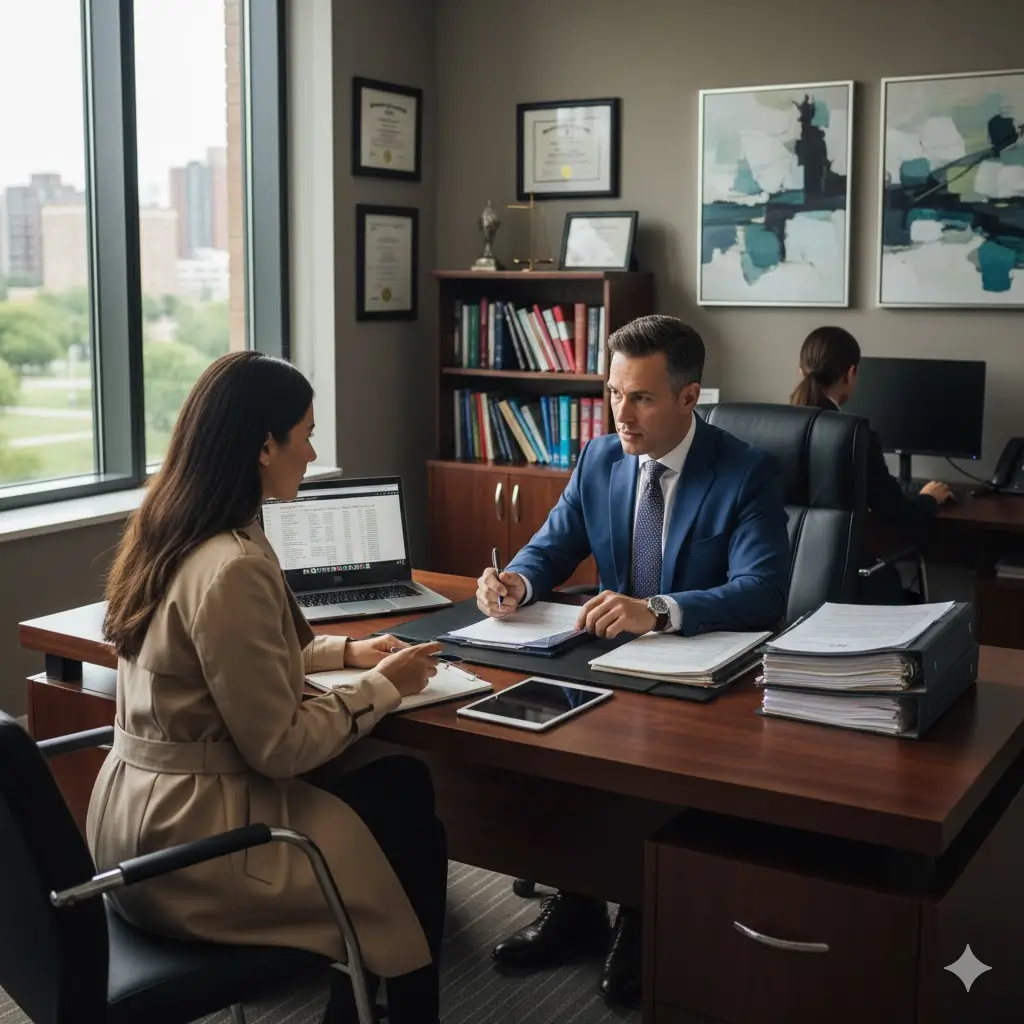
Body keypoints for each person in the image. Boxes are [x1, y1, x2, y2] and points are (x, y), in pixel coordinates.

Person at [89, 351, 447, 1024]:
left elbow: (220, 663)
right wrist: (381, 686)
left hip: (131, 819)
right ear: (263, 445)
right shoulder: (231, 565)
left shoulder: (171, 526)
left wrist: (344, 651)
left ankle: (379, 997)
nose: (312, 453)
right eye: (305, 434)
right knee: (405, 811)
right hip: (188, 853)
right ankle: (394, 1002)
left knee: (398, 785)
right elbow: (278, 749)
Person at [475, 315, 790, 1006]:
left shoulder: (746, 472)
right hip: (609, 660)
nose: (621, 413)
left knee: (650, 772)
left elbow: (764, 591)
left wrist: (663, 609)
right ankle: (578, 904)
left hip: (699, 676)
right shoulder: (600, 458)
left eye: (640, 397)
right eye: (614, 392)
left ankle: (642, 918)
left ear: (688, 397)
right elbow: (553, 544)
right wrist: (517, 584)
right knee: (544, 743)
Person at [790, 326, 954, 599]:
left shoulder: (774, 427)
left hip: (784, 584)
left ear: (800, 370)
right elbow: (899, 512)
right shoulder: (853, 435)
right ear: (851, 372)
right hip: (844, 584)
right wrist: (929, 498)